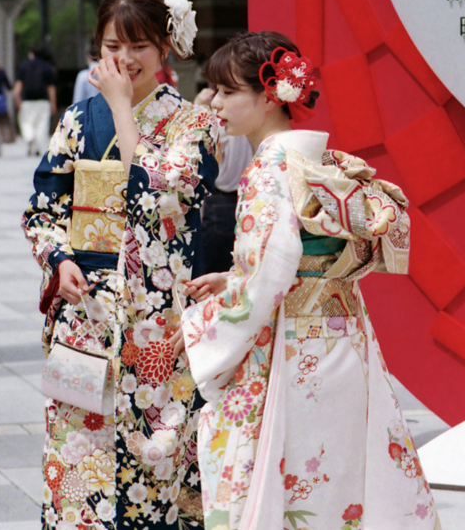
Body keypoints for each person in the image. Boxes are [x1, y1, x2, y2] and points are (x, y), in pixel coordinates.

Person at [178, 32, 440, 529]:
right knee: (337, 482)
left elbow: (273, 269)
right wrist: (234, 277)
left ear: (270, 95)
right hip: (341, 338)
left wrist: (207, 322)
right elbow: (288, 262)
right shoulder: (312, 158)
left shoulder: (269, 168)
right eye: (212, 89)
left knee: (291, 477)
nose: (215, 102)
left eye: (228, 91)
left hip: (291, 348)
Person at [23, 0, 220, 530]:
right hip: (87, 318)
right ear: (98, 48)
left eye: (138, 46)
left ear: (164, 48)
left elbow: (160, 192)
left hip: (158, 322)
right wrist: (58, 258)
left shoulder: (196, 124)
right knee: (78, 458)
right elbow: (43, 207)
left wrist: (119, 106)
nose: (125, 59)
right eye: (113, 46)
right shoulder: (77, 120)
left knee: (156, 464)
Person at [194, 82, 253, 274]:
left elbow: (198, 159)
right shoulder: (249, 119)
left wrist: (199, 108)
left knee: (212, 269)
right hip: (243, 198)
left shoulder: (218, 123)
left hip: (223, 199)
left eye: (227, 92)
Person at [14, 44, 58, 156]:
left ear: (31, 54)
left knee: (26, 123)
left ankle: (30, 137)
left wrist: (17, 99)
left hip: (27, 101)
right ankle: (39, 147)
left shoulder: (24, 66)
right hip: (43, 101)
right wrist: (53, 103)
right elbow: (50, 87)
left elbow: (18, 86)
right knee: (42, 125)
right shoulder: (46, 67)